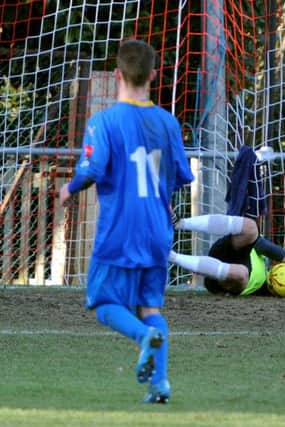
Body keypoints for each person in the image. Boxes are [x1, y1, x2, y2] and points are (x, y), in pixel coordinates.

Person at [58, 39, 194, 403]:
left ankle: (142, 338)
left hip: (120, 228)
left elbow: (93, 167)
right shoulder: (168, 122)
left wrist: (69, 189)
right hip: (157, 231)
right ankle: (160, 386)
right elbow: (180, 174)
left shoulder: (103, 121)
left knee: (103, 304)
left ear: (118, 73)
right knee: (151, 308)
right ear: (153, 74)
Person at [170, 213, 285, 295]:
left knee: (242, 273)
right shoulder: (263, 256)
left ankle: (170, 256)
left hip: (227, 281)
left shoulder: (266, 287)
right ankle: (180, 223)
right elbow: (264, 246)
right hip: (229, 251)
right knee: (251, 227)